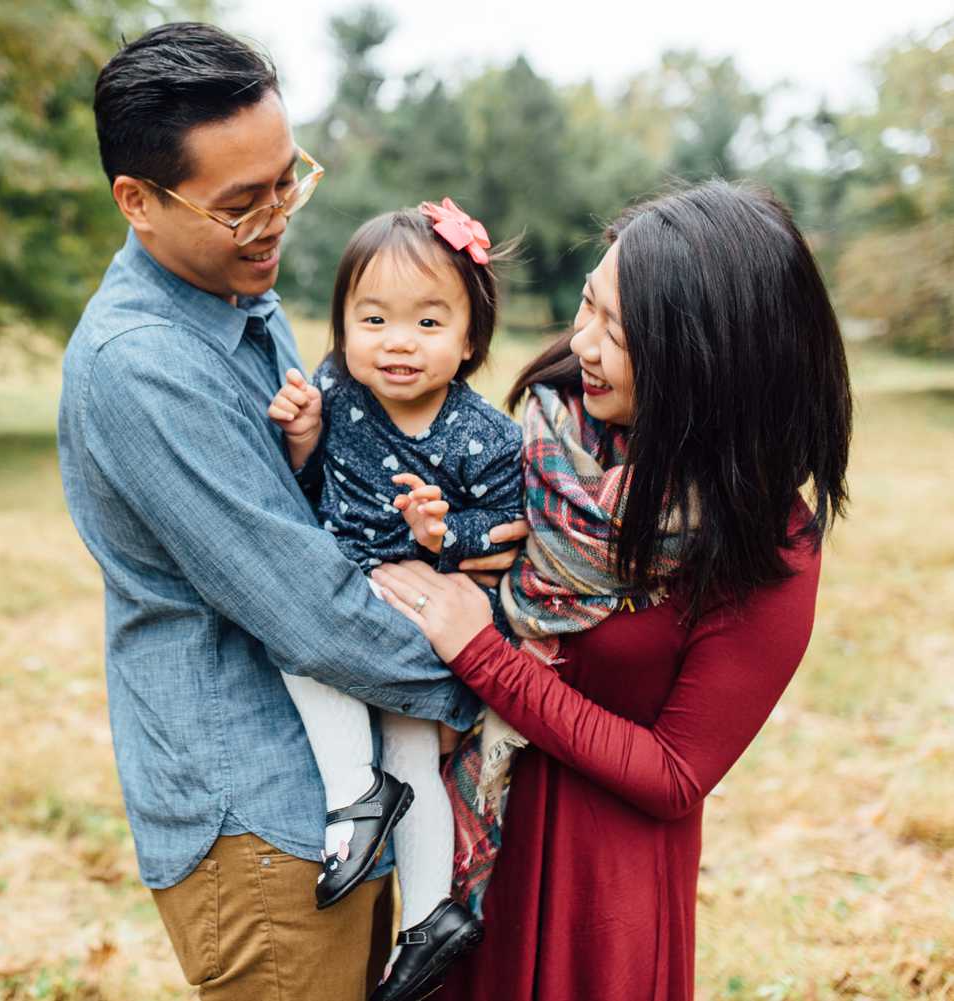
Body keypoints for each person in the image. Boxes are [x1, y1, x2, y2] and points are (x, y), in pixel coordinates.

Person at [56, 22, 528, 1001]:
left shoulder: (239, 296)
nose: (275, 221)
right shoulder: (144, 368)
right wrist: (495, 684)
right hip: (262, 824)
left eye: (286, 181)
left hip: (345, 784)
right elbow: (304, 599)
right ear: (136, 202)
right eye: (241, 205)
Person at [369, 180, 853, 1001]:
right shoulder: (543, 438)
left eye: (616, 332)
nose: (581, 344)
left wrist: (485, 652)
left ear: (706, 363)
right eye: (587, 305)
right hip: (474, 844)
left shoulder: (766, 547)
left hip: (602, 896)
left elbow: (674, 773)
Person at [265, 200, 522, 1000]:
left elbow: (507, 526)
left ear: (469, 338)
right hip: (352, 589)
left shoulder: (484, 436)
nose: (398, 341)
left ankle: (390, 855)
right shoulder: (340, 386)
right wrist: (304, 438)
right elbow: (315, 491)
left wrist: (445, 532)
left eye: (427, 321)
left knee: (346, 688)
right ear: (342, 324)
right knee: (384, 727)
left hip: (416, 614)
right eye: (373, 317)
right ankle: (412, 889)